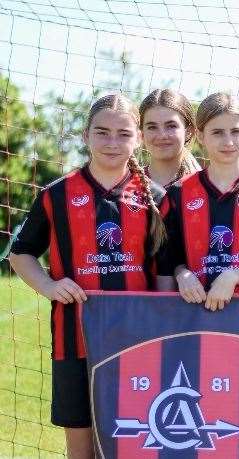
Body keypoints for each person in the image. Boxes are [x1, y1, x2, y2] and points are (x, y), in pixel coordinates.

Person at [9, 94, 170, 458]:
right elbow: (20, 254)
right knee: (80, 448)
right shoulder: (56, 194)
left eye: (123, 133)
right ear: (85, 136)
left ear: (138, 140)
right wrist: (49, 286)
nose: (112, 142)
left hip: (138, 340)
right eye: (102, 132)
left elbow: (164, 276)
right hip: (74, 340)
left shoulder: (156, 198)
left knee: (137, 444)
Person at [159, 92, 239, 311]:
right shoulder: (178, 193)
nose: (228, 141)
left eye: (235, 131)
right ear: (200, 136)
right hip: (191, 315)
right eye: (217, 132)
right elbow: (171, 260)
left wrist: (233, 276)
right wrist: (183, 274)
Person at [139, 88, 202, 186]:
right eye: (152, 127)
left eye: (171, 126)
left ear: (189, 131)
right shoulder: (126, 187)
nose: (162, 135)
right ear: (141, 134)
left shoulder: (207, 188)